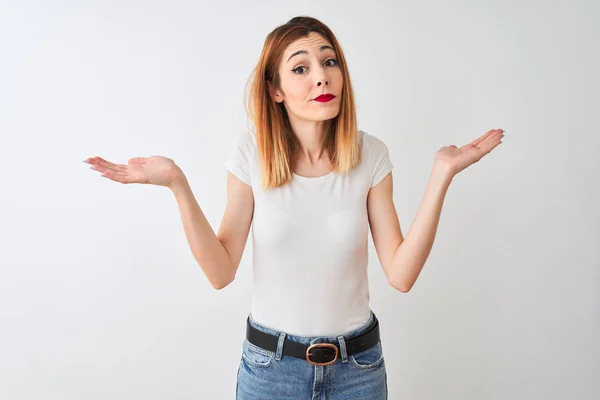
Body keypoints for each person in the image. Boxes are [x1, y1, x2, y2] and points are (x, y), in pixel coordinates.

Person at [84, 15, 504, 400]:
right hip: (271, 371)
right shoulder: (250, 153)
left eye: (330, 62)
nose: (322, 78)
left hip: (357, 370)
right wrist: (177, 184)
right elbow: (220, 271)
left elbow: (402, 274)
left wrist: (442, 173)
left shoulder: (371, 154)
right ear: (276, 90)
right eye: (301, 68)